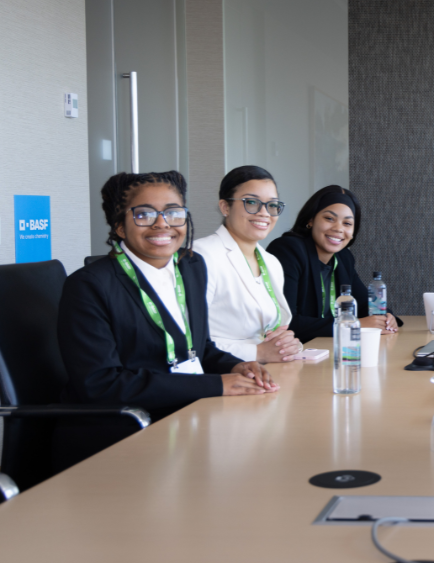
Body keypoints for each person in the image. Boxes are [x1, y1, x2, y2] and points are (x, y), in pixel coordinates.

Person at [57, 171, 279, 461]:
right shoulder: (89, 286)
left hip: (187, 418)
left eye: (174, 212)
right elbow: (101, 385)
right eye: (144, 214)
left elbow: (198, 348)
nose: (162, 223)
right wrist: (217, 384)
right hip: (124, 437)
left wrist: (238, 367)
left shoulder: (190, 266)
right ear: (119, 227)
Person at [193, 166, 301, 363]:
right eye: (251, 202)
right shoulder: (201, 255)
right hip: (221, 375)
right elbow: (191, 339)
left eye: (272, 205)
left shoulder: (271, 262)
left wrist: (285, 344)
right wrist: (257, 353)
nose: (264, 213)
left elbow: (269, 333)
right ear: (225, 207)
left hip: (266, 374)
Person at [267, 185, 400, 343]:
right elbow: (286, 322)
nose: (338, 229)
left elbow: (365, 304)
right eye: (329, 218)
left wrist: (386, 317)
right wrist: (353, 325)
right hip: (290, 353)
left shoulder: (343, 257)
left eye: (347, 223)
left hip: (326, 349)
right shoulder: (288, 250)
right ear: (311, 219)